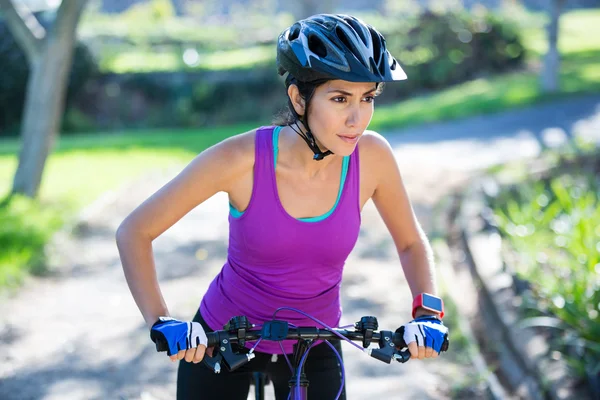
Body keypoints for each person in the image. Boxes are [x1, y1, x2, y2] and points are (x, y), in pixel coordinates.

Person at [116, 13, 449, 400]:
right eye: (340, 98)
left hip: (317, 340)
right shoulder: (241, 159)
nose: (357, 118)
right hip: (226, 339)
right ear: (298, 97)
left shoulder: (372, 157)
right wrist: (162, 321)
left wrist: (428, 314)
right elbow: (135, 231)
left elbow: (410, 242)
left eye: (368, 98)